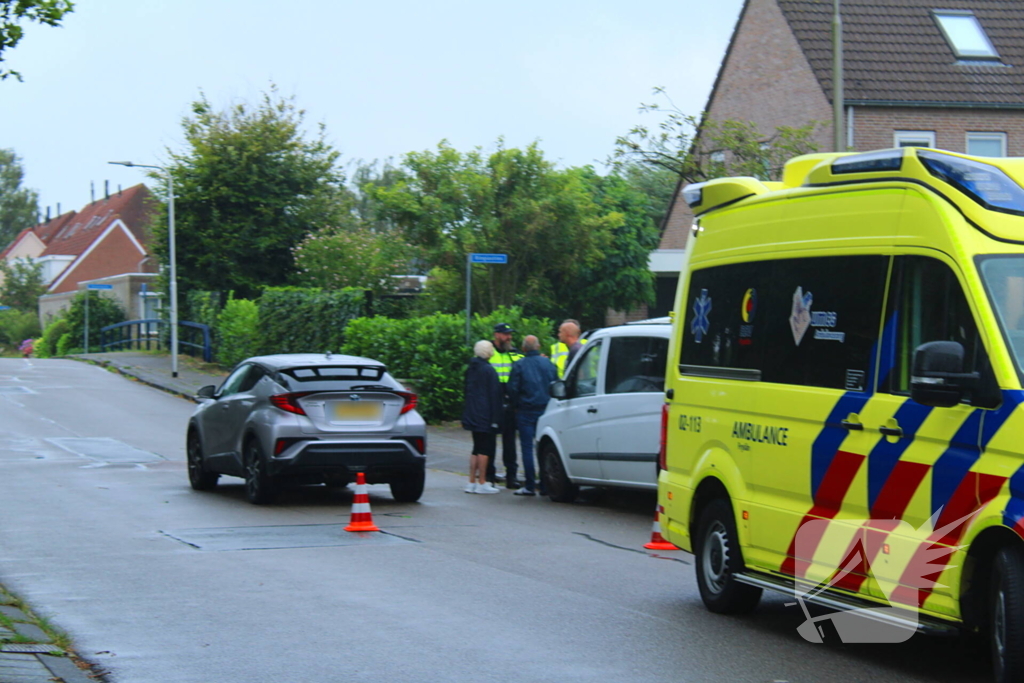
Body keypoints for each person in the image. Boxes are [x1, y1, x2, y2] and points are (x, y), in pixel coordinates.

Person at [507, 335, 558, 496]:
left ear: (523, 349)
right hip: (546, 410)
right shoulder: (548, 364)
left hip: (526, 410)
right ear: (538, 346)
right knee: (543, 447)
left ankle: (529, 485)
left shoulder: (519, 365)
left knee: (527, 448)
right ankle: (545, 484)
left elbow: (512, 389)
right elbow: (556, 385)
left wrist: (516, 406)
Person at [460, 340, 503, 494]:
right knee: (485, 449)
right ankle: (482, 482)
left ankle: (471, 481)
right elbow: (495, 395)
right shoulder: (489, 370)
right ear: (489, 352)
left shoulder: (471, 369)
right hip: (485, 414)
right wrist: (496, 418)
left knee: (476, 448)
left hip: (472, 412)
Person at [489, 322, 524, 488]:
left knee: (509, 442)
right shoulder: (488, 352)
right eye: (505, 334)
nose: (509, 337)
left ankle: (511, 476)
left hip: (510, 402)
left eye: (510, 334)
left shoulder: (515, 353)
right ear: (496, 335)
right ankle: (489, 476)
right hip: (492, 401)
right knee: (489, 441)